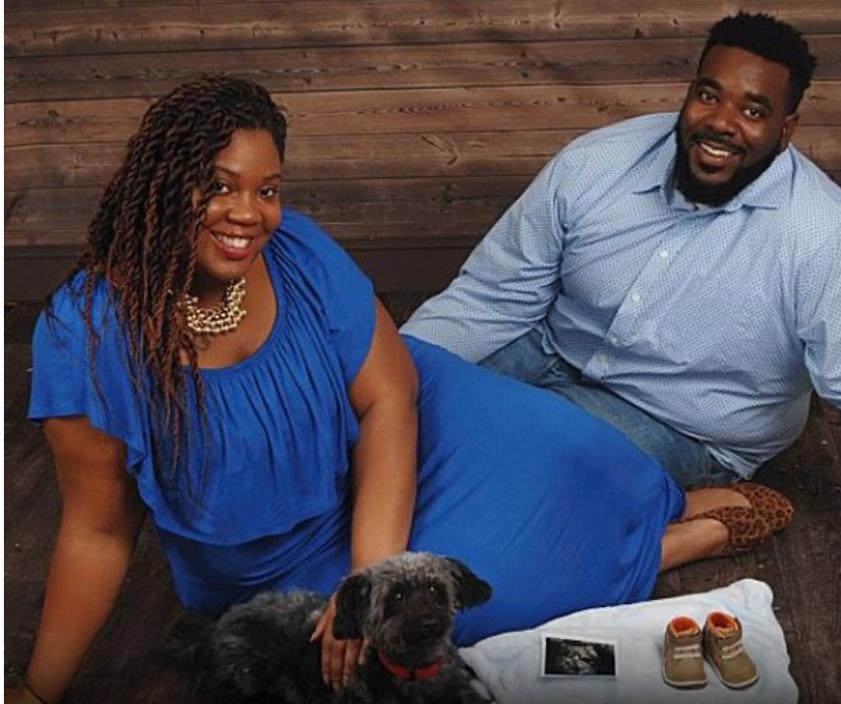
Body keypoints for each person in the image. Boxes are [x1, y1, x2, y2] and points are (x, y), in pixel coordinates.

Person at [8, 76, 789, 704]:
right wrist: (39, 691)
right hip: (281, 560)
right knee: (475, 608)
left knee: (570, 447)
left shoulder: (297, 253)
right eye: (218, 186)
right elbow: (97, 532)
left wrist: (369, 578)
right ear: (159, 186)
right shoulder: (88, 337)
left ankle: (658, 503)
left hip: (404, 431)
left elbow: (388, 398)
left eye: (267, 190)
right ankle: (664, 543)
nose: (249, 214)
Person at [403, 12, 841, 488]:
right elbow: (492, 296)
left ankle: (700, 511)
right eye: (708, 96)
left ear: (786, 130)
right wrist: (391, 370)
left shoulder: (820, 232)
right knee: (397, 405)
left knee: (509, 467)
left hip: (679, 424)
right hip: (551, 348)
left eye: (753, 112)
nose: (721, 122)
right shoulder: (597, 162)